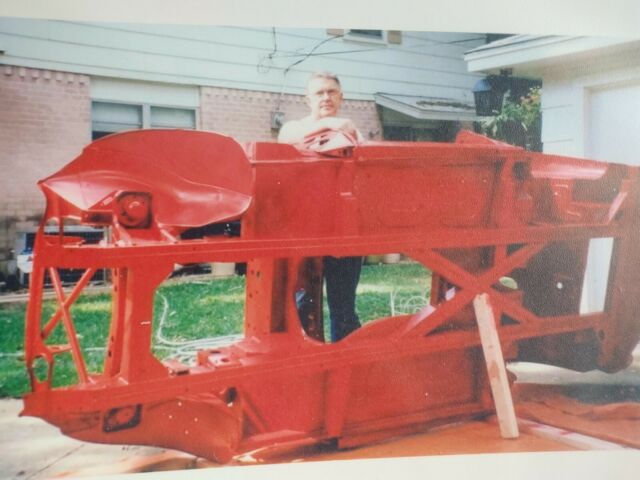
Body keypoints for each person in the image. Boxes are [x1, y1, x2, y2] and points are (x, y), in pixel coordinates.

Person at [278, 71, 363, 342]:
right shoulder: (293, 127)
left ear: (341, 96)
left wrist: (344, 128)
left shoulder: (354, 130)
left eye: (331, 92)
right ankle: (306, 369)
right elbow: (289, 141)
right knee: (303, 304)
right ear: (308, 99)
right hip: (304, 228)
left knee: (343, 307)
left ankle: (347, 369)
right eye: (319, 93)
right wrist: (337, 127)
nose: (325, 97)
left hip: (343, 229)